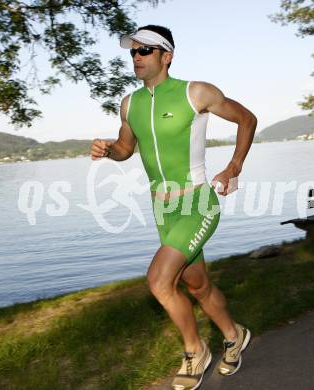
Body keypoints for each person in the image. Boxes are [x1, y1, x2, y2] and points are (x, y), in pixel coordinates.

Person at [90, 24, 257, 390]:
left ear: (166, 56)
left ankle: (195, 351)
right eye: (133, 51)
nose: (136, 57)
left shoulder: (195, 92)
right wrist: (108, 151)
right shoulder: (130, 103)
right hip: (162, 210)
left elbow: (247, 119)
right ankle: (234, 334)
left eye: (145, 50)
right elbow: (125, 148)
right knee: (197, 286)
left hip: (198, 202)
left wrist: (233, 167)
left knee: (159, 280)